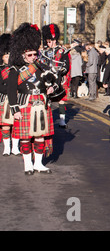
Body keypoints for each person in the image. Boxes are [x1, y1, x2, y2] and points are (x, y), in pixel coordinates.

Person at [7, 23, 58, 175]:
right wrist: (15, 110)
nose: (33, 57)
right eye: (30, 55)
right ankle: (28, 164)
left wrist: (51, 87)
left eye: (35, 54)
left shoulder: (41, 66)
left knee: (40, 136)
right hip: (24, 105)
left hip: (41, 105)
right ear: (22, 54)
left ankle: (39, 164)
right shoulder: (15, 71)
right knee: (25, 138)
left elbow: (55, 82)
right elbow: (11, 92)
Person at [41, 23, 71, 127]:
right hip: (47, 78)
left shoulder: (62, 51)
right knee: (47, 99)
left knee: (61, 100)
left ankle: (62, 121)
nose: (49, 43)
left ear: (55, 39)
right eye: (48, 41)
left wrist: (61, 70)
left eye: (51, 41)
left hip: (59, 78)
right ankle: (47, 119)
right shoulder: (44, 52)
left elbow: (66, 65)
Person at [0, 33, 20, 156]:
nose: (8, 57)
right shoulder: (1, 69)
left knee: (16, 124)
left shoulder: (17, 69)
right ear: (2, 56)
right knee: (5, 125)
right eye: (6, 55)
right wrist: (10, 89)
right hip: (4, 99)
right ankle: (7, 148)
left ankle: (15, 147)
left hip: (17, 99)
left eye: (10, 55)